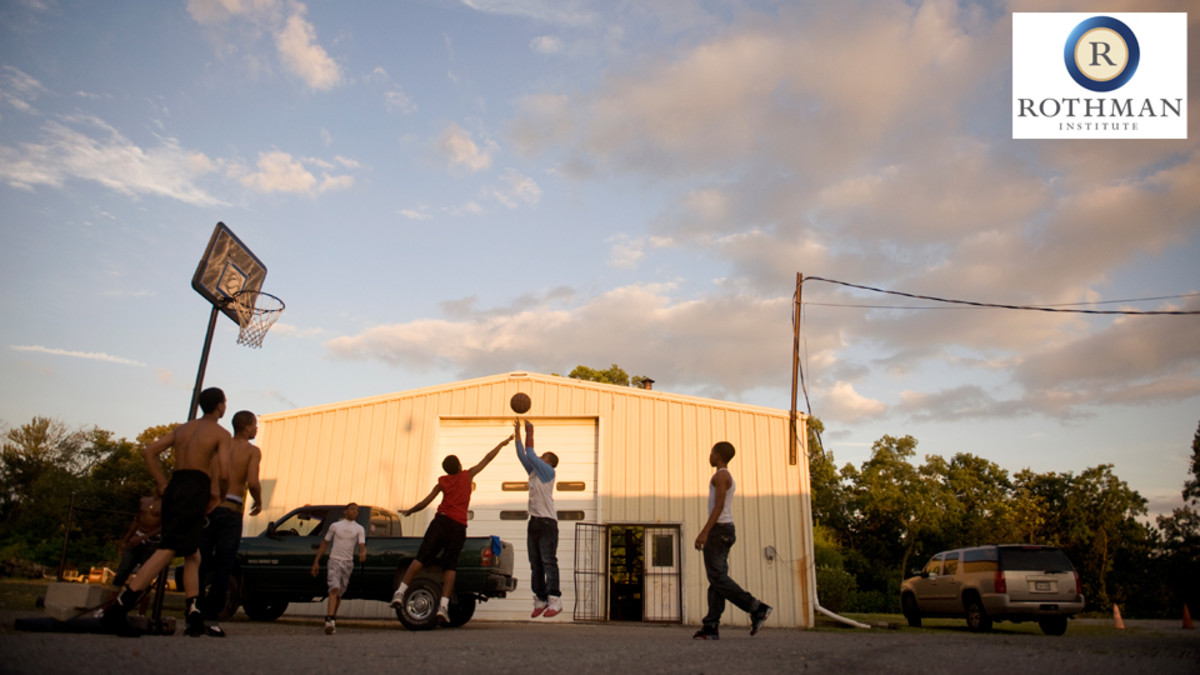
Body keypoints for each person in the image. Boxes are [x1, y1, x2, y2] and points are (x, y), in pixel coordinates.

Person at [102, 387, 232, 638]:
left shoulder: (183, 429)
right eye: (224, 403)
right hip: (196, 486)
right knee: (169, 549)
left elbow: (149, 451)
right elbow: (224, 471)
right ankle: (118, 609)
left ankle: (193, 613)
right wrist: (220, 493)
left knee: (192, 552)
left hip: (176, 484)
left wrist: (162, 482)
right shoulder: (220, 433)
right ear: (219, 406)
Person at [390, 434, 513, 624]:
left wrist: (411, 510)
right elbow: (488, 458)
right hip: (457, 526)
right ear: (459, 465)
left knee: (421, 558)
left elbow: (426, 502)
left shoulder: (442, 481)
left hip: (441, 521)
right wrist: (502, 444)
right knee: (450, 566)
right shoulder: (467, 475)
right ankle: (443, 606)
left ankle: (400, 593)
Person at [692, 441, 771, 640]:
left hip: (719, 531)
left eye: (711, 452)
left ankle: (756, 608)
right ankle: (711, 626)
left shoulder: (721, 476)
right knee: (717, 580)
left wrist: (704, 532)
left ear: (718, 455)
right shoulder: (725, 476)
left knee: (717, 578)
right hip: (723, 530)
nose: (709, 456)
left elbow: (718, 507)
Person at [197, 409, 262, 637]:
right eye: (254, 425)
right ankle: (212, 617)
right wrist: (259, 500)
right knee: (225, 564)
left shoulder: (219, 446)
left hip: (209, 507)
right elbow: (252, 481)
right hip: (231, 509)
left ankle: (193, 610)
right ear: (246, 427)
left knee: (200, 561)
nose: (256, 429)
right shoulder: (252, 451)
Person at [513, 419, 561, 618]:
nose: (539, 458)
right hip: (534, 521)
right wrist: (517, 434)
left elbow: (531, 454)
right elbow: (522, 455)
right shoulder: (533, 472)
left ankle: (555, 599)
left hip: (547, 522)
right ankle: (540, 598)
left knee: (548, 561)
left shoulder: (548, 472)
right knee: (535, 563)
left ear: (548, 462)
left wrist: (530, 430)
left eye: (543, 457)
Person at [310, 503, 367, 635]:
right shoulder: (335, 526)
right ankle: (329, 619)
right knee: (333, 588)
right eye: (352, 509)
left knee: (340, 592)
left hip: (347, 563)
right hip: (334, 561)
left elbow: (362, 544)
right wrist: (316, 562)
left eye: (357, 510)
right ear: (345, 511)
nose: (354, 512)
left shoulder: (359, 529)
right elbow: (325, 543)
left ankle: (332, 618)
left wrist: (363, 552)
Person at [111, 495, 162, 591]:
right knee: (122, 572)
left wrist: (145, 537)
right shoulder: (144, 501)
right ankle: (109, 604)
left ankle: (141, 603)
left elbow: (163, 526)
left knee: (145, 577)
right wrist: (126, 539)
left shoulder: (168, 504)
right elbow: (137, 521)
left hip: (152, 542)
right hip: (136, 538)